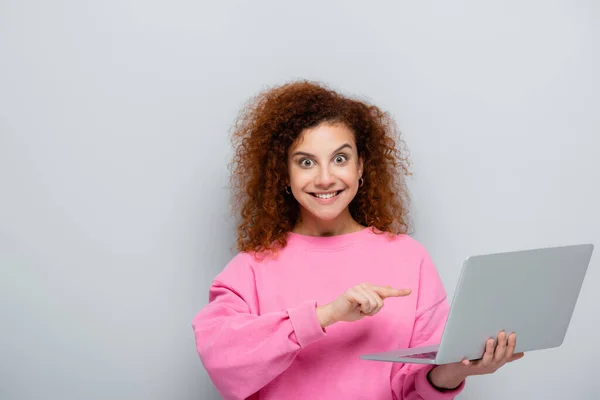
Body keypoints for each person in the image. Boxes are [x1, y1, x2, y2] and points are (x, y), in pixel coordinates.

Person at [192, 80, 524, 399]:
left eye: (340, 158)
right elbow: (224, 361)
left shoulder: (409, 259)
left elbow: (420, 386)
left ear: (361, 165)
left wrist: (459, 369)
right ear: (284, 173)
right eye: (306, 162)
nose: (325, 178)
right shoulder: (250, 269)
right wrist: (326, 315)